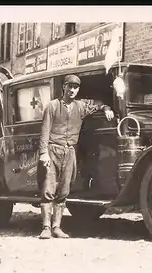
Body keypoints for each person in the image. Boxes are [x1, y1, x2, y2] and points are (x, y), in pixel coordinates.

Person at [37, 74, 115, 239]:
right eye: (69, 86)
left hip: (70, 151)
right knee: (48, 189)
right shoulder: (52, 106)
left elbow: (99, 104)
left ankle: (57, 227)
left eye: (75, 87)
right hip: (53, 150)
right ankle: (45, 227)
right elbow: (44, 132)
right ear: (63, 87)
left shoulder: (81, 106)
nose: (72, 90)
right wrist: (43, 153)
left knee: (64, 190)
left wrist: (107, 108)